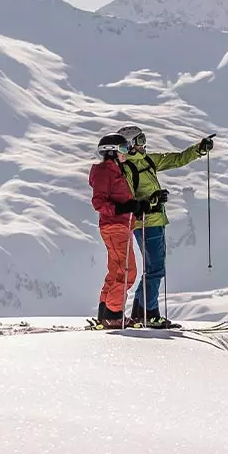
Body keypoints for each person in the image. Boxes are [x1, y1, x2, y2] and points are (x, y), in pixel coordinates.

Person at [117, 124, 214, 327]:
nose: (145, 144)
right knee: (155, 269)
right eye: (141, 140)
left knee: (153, 268)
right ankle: (150, 315)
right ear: (131, 145)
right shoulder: (127, 169)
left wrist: (199, 148)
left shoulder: (149, 161)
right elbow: (128, 200)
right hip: (145, 222)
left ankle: (140, 313)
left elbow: (177, 159)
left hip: (156, 221)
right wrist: (152, 199)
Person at [88, 133, 155, 329]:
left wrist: (137, 206)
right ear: (112, 152)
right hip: (114, 226)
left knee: (117, 270)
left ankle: (105, 312)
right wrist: (125, 208)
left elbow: (121, 200)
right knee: (127, 272)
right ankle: (114, 315)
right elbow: (99, 202)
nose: (127, 153)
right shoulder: (105, 172)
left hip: (120, 225)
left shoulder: (116, 171)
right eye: (124, 149)